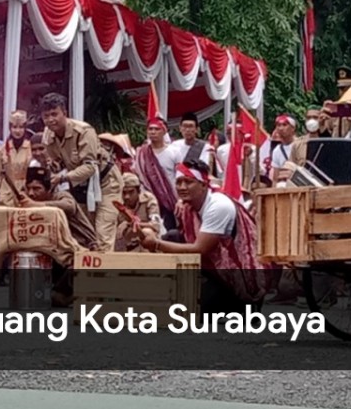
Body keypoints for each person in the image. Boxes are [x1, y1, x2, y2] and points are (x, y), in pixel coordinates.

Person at [140, 160, 270, 312]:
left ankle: (244, 304)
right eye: (179, 182)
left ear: (203, 185)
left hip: (238, 274)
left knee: (197, 309)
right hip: (212, 267)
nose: (182, 187)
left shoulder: (218, 205)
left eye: (188, 182)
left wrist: (156, 244)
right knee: (172, 237)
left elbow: (200, 248)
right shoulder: (187, 205)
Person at [40, 92, 123, 250]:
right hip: (80, 187)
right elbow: (57, 164)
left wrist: (62, 178)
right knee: (86, 233)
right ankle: (87, 271)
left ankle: (105, 272)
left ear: (64, 113)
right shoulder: (48, 136)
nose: (50, 120)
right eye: (46, 116)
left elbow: (90, 167)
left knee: (102, 234)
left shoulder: (84, 131)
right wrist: (52, 168)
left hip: (106, 183)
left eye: (54, 114)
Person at [18, 161, 98, 250]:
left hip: (83, 245)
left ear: (49, 189)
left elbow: (70, 206)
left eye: (36, 188)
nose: (31, 193)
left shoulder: (61, 195)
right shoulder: (29, 200)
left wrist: (37, 205)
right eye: (28, 188)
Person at [134, 112, 179, 231]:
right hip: (148, 199)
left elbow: (180, 175)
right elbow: (137, 175)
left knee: (169, 232)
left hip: (169, 199)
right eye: (150, 129)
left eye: (157, 129)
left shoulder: (174, 152)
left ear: (164, 131)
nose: (153, 132)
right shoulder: (141, 153)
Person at [0, 112, 32, 206]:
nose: (18, 131)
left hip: (25, 193)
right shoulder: (2, 150)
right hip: (6, 194)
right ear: (10, 129)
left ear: (25, 129)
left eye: (21, 127)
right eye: (14, 127)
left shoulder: (31, 148)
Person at [114, 172, 163, 251]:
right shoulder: (117, 203)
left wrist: (131, 223)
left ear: (139, 191)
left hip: (147, 243)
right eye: (124, 193)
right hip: (127, 244)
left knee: (147, 231)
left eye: (131, 192)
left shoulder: (148, 199)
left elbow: (156, 225)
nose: (127, 197)